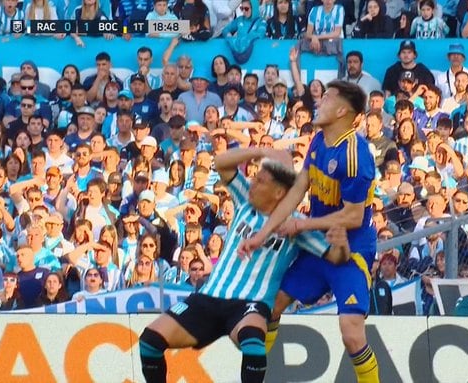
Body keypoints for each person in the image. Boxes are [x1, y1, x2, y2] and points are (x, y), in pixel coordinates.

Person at [138, 146, 349, 383]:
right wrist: (259, 150)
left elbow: (335, 257)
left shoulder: (297, 225)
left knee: (253, 343)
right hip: (208, 297)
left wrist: (342, 244)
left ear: (279, 192)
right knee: (149, 341)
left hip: (252, 303)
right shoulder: (246, 202)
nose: (253, 183)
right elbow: (220, 163)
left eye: (260, 181)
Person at [239, 80, 380, 382]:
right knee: (271, 306)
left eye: (326, 98)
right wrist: (264, 232)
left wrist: (302, 224)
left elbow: (354, 217)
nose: (318, 102)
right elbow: (299, 187)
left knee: (351, 333)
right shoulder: (318, 140)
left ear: (342, 110)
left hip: (350, 250)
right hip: (317, 245)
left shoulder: (356, 156)